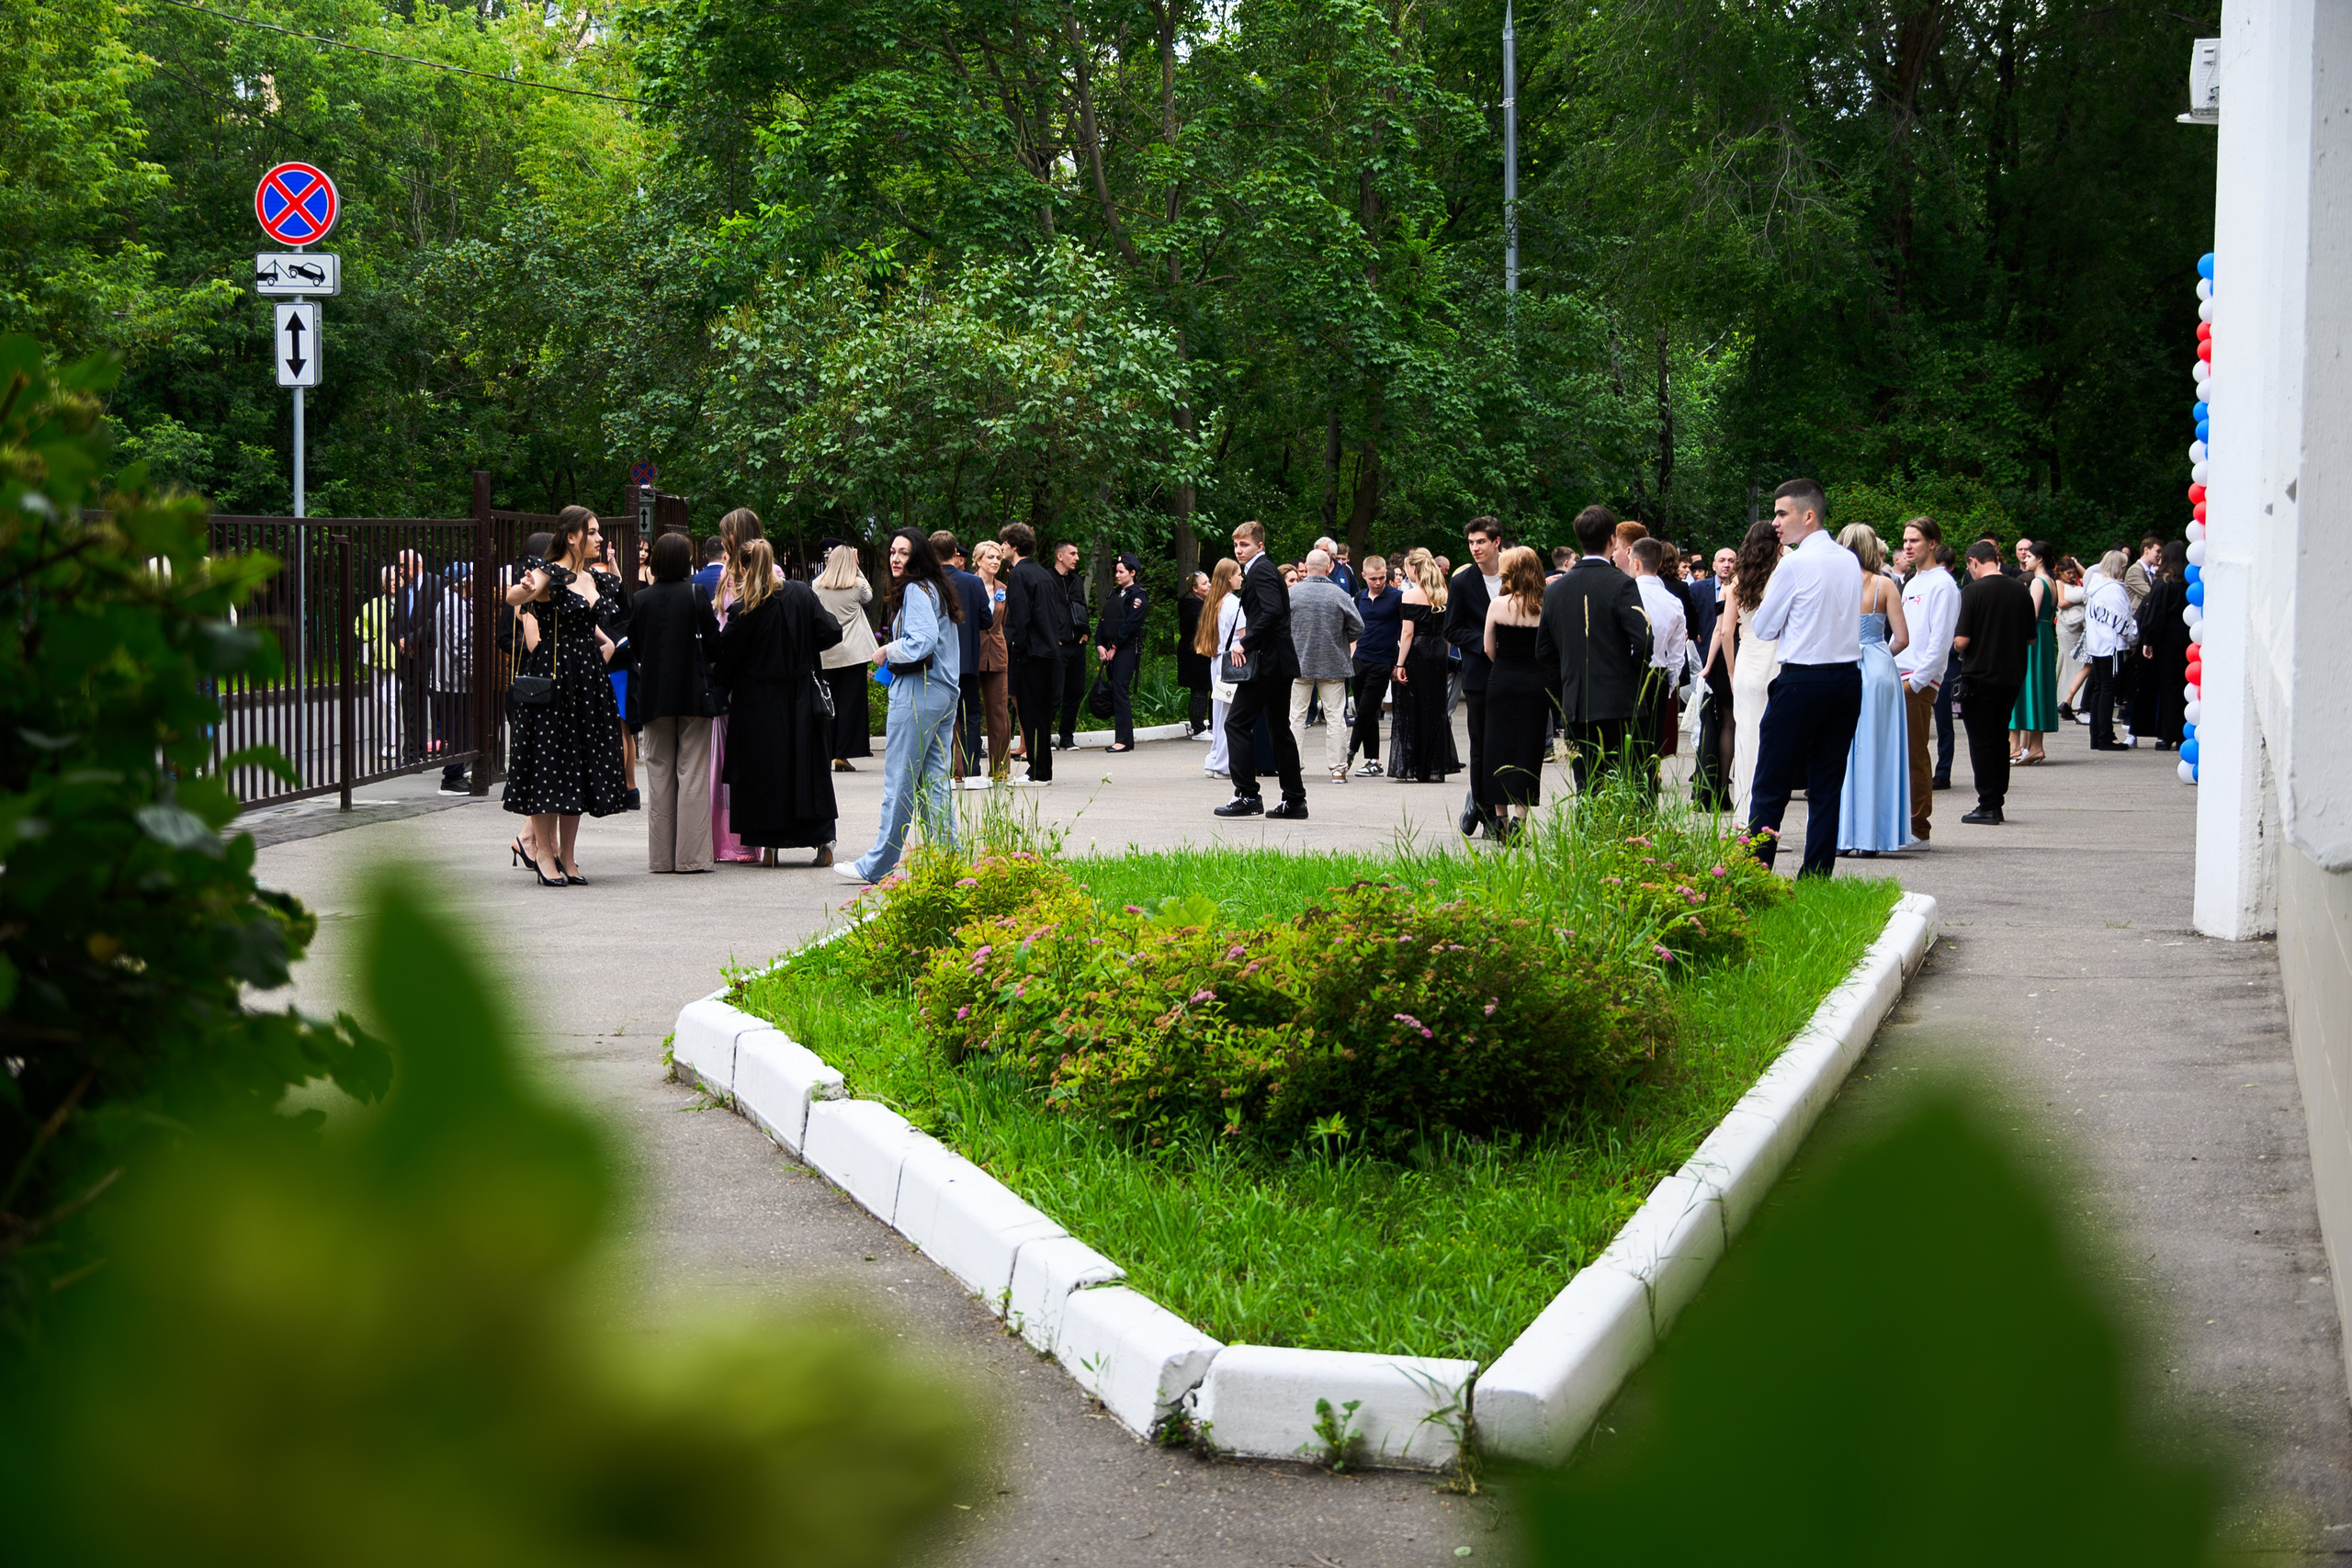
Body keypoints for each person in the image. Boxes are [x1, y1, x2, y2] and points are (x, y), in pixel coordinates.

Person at [1743, 480, 1864, 877]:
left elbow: (1763, 626)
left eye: (1782, 513)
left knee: (1771, 783)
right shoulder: (1849, 560)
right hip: (1846, 681)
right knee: (1827, 786)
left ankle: (1757, 872)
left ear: (1807, 516)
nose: (1775, 522)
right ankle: (1816, 877)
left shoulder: (1793, 564)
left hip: (1801, 681)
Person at [502, 506, 628, 885]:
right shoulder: (548, 572)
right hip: (554, 678)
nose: (599, 538)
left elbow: (610, 616)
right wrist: (523, 590)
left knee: (580, 766)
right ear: (571, 536)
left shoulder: (593, 578)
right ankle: (543, 853)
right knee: (549, 766)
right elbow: (511, 597)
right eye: (592, 532)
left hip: (588, 680)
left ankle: (568, 857)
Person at [842, 528, 964, 883]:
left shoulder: (915, 590)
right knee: (934, 781)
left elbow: (922, 642)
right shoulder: (935, 588)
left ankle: (877, 864)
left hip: (918, 692)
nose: (896, 558)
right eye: (893, 552)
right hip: (942, 693)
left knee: (900, 780)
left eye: (904, 553)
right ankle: (947, 862)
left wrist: (887, 651)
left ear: (919, 556)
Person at [713, 539, 842, 867]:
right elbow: (830, 630)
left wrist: (719, 687)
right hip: (801, 696)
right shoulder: (801, 593)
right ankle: (821, 840)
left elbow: (726, 658)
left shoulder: (745, 609)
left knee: (764, 770)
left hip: (757, 702)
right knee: (808, 768)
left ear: (742, 567)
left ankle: (769, 844)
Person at [1535, 505, 1652, 794]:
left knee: (1586, 783)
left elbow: (1544, 651)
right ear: (1612, 540)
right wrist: (1631, 677)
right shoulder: (1622, 584)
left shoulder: (1555, 590)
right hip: (1619, 702)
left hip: (1576, 702)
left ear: (1579, 540)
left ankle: (1587, 834)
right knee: (1623, 780)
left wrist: (1565, 688)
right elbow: (1644, 640)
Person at [629, 532, 723, 874]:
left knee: (660, 774)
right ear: (686, 561)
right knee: (694, 773)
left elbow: (636, 649)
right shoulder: (696, 593)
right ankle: (692, 858)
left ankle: (660, 858)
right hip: (694, 693)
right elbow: (714, 644)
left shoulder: (642, 599)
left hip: (654, 696)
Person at [1215, 520, 1308, 818]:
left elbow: (1272, 612)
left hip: (1268, 663)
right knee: (1279, 730)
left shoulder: (1262, 570)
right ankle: (1294, 800)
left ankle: (1246, 795)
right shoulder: (1260, 570)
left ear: (1260, 546)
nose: (1239, 550)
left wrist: (1246, 642)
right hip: (1277, 661)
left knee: (1237, 723)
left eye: (1245, 544)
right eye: (1236, 544)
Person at [1833, 525, 1913, 856]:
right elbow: (1903, 638)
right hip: (1879, 670)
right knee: (1879, 752)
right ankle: (1873, 840)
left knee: (1841, 752)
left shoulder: (1835, 584)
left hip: (1843, 666)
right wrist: (1879, 654)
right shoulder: (1885, 585)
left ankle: (1842, 836)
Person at [1951, 540, 2040, 822]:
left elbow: (1962, 641)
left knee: (1981, 740)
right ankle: (1997, 799)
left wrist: (1955, 645)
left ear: (1974, 562)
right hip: (2012, 675)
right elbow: (2030, 637)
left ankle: (1987, 803)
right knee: (2000, 737)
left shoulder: (1973, 592)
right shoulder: (2020, 590)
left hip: (1980, 675)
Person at [1894, 518, 1960, 846]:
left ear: (1932, 543)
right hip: (1898, 675)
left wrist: (1917, 682)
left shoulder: (1943, 585)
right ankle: (1900, 821)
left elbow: (1939, 642)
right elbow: (1903, 634)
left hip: (1918, 682)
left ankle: (1919, 828)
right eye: (1905, 540)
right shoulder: (1912, 582)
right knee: (1898, 754)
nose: (1908, 546)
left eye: (1915, 540)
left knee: (1915, 753)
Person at [1482, 545, 1551, 836]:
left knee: (1497, 745)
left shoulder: (1498, 605)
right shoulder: (1546, 605)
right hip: (1535, 681)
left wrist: (1505, 666)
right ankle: (1519, 820)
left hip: (1503, 679)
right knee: (1528, 747)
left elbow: (1488, 647)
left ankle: (1499, 818)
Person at [1286, 547, 1364, 784]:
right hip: (1333, 664)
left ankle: (1293, 766)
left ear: (1306, 568)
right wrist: (1342, 638)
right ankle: (1338, 769)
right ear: (1329, 567)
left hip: (1299, 663)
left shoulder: (1292, 595)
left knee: (1296, 718)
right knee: (1335, 717)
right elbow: (1358, 627)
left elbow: (1280, 625)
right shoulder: (1338, 594)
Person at [1445, 518, 1504, 832]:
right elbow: (1451, 628)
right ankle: (1483, 809)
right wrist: (1483, 643)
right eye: (1471, 543)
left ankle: (1500, 810)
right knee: (1481, 745)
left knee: (1505, 744)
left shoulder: (1513, 576)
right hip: (1479, 674)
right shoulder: (1462, 582)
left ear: (1497, 542)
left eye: (1480, 541)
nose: (1475, 548)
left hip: (1512, 672)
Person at [1723, 521, 1783, 818]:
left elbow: (1724, 633)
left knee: (1745, 740)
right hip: (1773, 661)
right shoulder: (1780, 577)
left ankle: (1743, 816)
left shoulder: (1736, 582)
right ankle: (1764, 820)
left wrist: (1732, 672)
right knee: (1770, 744)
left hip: (1746, 660)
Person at [1388, 547, 1460, 784]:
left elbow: (1407, 633)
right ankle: (1433, 764)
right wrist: (1446, 658)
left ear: (1414, 568)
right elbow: (1447, 634)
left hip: (1418, 652)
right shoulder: (1443, 594)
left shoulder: (1409, 595)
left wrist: (1399, 664)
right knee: (1435, 707)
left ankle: (1413, 763)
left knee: (1413, 707)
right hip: (1438, 651)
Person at [998, 523, 1062, 784]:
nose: (1000, 547)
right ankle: (1041, 769)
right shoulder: (1044, 574)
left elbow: (1020, 618)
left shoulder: (1019, 575)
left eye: (1003, 543)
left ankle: (1038, 771)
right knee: (1042, 715)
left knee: (1031, 714)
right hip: (1048, 653)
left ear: (1014, 545)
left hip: (1030, 655)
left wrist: (1012, 648)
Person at [931, 531, 994, 780]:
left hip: (936, 663)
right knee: (970, 716)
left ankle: (940, 771)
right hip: (967, 661)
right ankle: (971, 771)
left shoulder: (926, 582)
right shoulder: (973, 583)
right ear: (955, 552)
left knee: (938, 717)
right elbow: (986, 620)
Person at [1627, 537, 1689, 795]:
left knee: (1627, 740)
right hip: (1659, 674)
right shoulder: (1673, 602)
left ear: (1636, 563)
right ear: (1660, 563)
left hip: (1628, 672)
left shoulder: (1625, 594)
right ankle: (1648, 792)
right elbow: (1677, 654)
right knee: (1652, 740)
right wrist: (1671, 684)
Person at [813, 544, 880, 775]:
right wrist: (857, 565)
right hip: (854, 653)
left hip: (827, 652)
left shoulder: (817, 585)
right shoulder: (857, 585)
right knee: (852, 704)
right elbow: (869, 596)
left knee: (828, 702)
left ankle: (826, 750)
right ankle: (844, 753)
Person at [1689, 547, 1736, 807]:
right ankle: (1708, 780)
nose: (1727, 564)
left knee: (1727, 720)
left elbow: (1722, 630)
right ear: (1714, 565)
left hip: (1728, 658)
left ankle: (1720, 786)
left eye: (1731, 560)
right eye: (1722, 560)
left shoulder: (1734, 589)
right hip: (1710, 658)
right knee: (1710, 722)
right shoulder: (1697, 590)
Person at [2132, 541, 2192, 749]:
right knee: (2186, 684)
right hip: (2188, 634)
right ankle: (2185, 732)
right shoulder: (2190, 582)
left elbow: (2155, 613)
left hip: (2167, 637)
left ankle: (2168, 734)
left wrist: (2148, 639)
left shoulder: (2163, 581)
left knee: (2169, 686)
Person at [2079, 548, 2139, 751]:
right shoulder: (2114, 589)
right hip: (2111, 646)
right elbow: (2124, 620)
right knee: (2108, 690)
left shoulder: (2094, 587)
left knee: (2100, 689)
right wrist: (2133, 640)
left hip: (2097, 644)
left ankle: (2097, 735)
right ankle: (2106, 736)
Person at [1348, 554, 1402, 775]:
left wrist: (1398, 663)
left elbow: (1406, 631)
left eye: (1381, 578)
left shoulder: (1397, 597)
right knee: (1365, 712)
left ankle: (1348, 753)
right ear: (1364, 576)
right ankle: (1373, 761)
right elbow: (1352, 627)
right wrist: (1352, 652)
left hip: (1383, 663)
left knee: (1366, 711)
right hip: (1359, 661)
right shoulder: (1359, 597)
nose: (1378, 582)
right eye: (1373, 579)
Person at [2008, 539, 2058, 766]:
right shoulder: (2051, 581)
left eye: (2029, 556)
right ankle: (2036, 747)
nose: (2025, 559)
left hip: (2034, 638)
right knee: (2039, 687)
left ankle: (2024, 747)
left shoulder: (2038, 582)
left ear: (2039, 559)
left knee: (2027, 686)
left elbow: (2032, 615)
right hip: (2045, 635)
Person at [1095, 552, 1148, 751]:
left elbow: (1131, 623)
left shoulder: (1138, 595)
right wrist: (1100, 644)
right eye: (1116, 571)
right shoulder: (1114, 594)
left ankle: (1123, 740)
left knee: (1119, 691)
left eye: (1121, 572)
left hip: (1125, 649)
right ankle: (1124, 738)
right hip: (1110, 649)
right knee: (1115, 691)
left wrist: (1115, 646)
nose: (1117, 575)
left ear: (1132, 573)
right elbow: (1104, 620)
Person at [1197, 558, 1244, 779]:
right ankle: (1223, 764)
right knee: (1229, 714)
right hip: (1232, 662)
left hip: (1216, 661)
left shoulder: (1212, 602)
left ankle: (1214, 759)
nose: (1241, 577)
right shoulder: (1234, 603)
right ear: (1228, 577)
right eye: (1238, 574)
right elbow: (1244, 637)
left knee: (1219, 712)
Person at [971, 541, 1014, 781]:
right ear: (978, 561)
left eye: (998, 557)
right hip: (971, 653)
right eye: (990, 557)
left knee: (998, 712)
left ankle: (1000, 770)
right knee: (966, 712)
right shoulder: (967, 585)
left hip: (997, 654)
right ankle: (962, 769)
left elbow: (1006, 620)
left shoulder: (1003, 589)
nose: (996, 561)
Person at [1052, 540, 1090, 750]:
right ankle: (1045, 735)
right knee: (1054, 693)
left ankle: (1067, 736)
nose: (1076, 558)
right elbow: (1043, 609)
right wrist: (1050, 636)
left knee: (1075, 692)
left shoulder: (1076, 580)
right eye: (1072, 554)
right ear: (1060, 556)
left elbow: (1082, 606)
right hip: (1057, 645)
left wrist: (1086, 632)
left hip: (1077, 644)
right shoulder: (1047, 579)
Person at [1176, 570, 1213, 738]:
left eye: (1209, 582)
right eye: (1205, 583)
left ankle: (1212, 725)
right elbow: (1203, 628)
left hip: (1203, 651)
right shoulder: (1192, 607)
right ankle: (1198, 728)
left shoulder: (1202, 604)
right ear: (1195, 589)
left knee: (1212, 688)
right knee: (1199, 690)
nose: (1209, 585)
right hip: (1194, 653)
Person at [2054, 557, 2089, 719]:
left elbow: (2090, 580)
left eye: (2072, 572)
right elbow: (2061, 603)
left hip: (2078, 626)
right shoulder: (2059, 583)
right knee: (2068, 660)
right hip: (2066, 627)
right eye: (2068, 573)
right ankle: (2063, 698)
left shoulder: (2078, 582)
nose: (2071, 575)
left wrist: (2077, 564)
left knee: (2079, 662)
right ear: (2060, 572)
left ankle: (2075, 699)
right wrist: (2080, 600)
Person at [2123, 535, 2164, 610]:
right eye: (2158, 551)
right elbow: (2150, 594)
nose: (2160, 555)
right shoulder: (2134, 570)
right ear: (2146, 550)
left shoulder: (2150, 572)